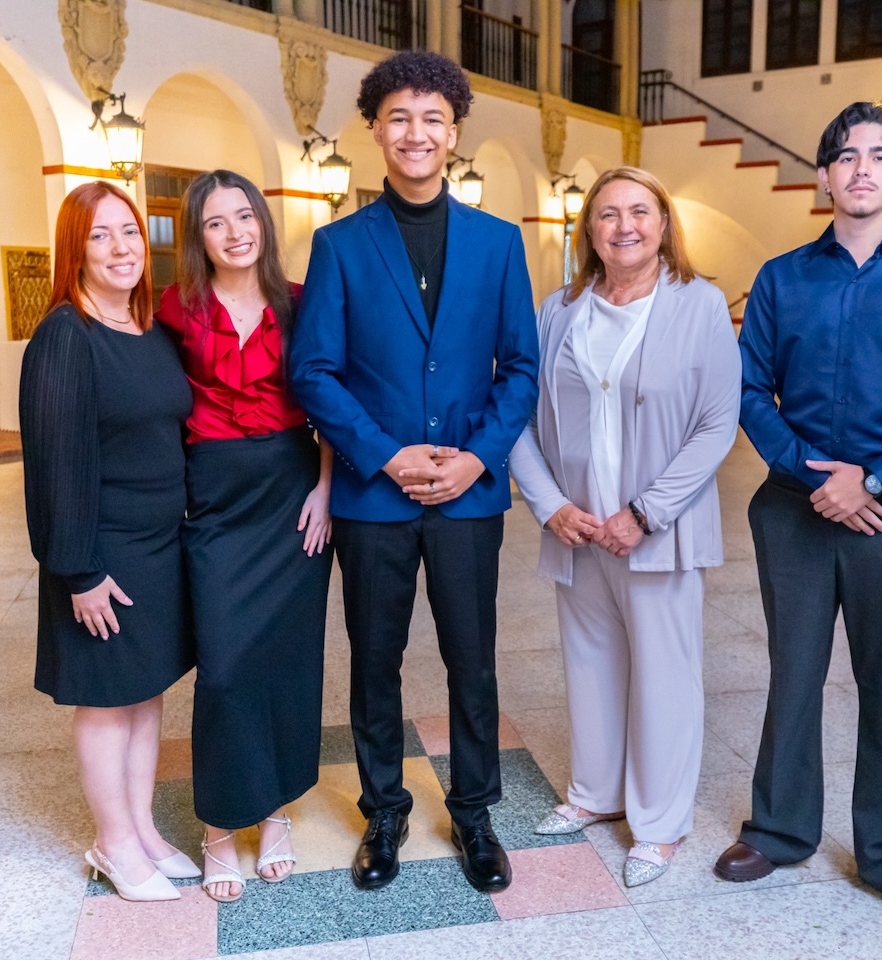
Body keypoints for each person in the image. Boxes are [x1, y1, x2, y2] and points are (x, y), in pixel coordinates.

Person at [713, 103, 882, 932]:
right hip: (793, 510)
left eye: (878, 156)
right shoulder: (782, 277)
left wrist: (874, 477)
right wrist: (812, 474)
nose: (860, 168)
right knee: (793, 671)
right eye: (844, 155)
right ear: (824, 175)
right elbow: (748, 391)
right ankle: (779, 830)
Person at [289, 50, 538, 894]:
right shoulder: (339, 245)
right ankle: (384, 813)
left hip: (468, 495)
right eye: (399, 117)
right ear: (375, 129)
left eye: (433, 118)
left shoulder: (499, 244)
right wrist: (386, 453)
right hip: (374, 496)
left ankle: (474, 814)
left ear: (454, 131)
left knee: (473, 661)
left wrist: (476, 457)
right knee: (374, 661)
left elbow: (522, 369)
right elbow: (314, 371)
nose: (416, 132)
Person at [509, 167, 741, 887]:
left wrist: (646, 512)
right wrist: (552, 505)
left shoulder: (699, 305)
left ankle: (660, 823)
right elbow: (519, 416)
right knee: (590, 665)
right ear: (589, 229)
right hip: (577, 528)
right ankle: (595, 792)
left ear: (664, 223)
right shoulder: (560, 309)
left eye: (639, 211)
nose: (624, 226)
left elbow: (717, 424)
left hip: (656, 530)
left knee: (665, 677)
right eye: (607, 214)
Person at [156, 170, 334, 903]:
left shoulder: (301, 302)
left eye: (244, 217)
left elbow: (328, 392)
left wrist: (326, 489)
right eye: (215, 222)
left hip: (293, 490)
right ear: (197, 237)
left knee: (286, 662)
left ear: (263, 222)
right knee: (224, 667)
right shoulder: (173, 306)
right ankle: (220, 826)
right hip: (214, 498)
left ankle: (274, 811)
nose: (235, 233)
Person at [19, 181, 196, 902]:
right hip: (104, 551)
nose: (121, 248)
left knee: (145, 693)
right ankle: (113, 844)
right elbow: (54, 464)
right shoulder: (66, 335)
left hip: (159, 545)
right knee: (105, 701)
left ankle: (141, 828)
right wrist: (80, 570)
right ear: (76, 250)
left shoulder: (149, 328)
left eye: (129, 231)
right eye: (100, 236)